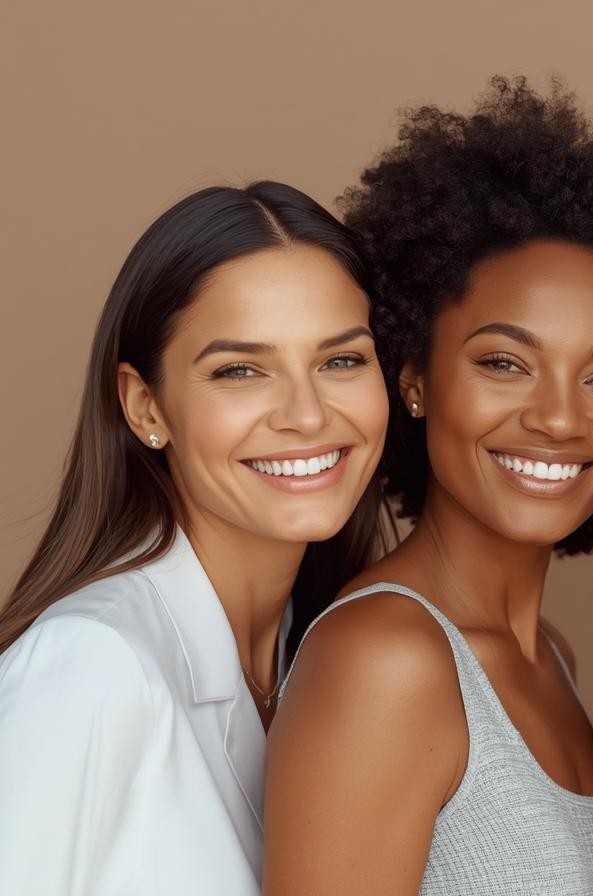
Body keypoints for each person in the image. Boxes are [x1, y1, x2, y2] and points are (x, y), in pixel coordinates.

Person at [262, 77, 593, 896]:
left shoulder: (555, 659)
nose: (557, 418)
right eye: (505, 363)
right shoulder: (384, 662)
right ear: (414, 379)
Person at [0, 181, 390, 895]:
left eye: (341, 360)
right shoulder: (93, 666)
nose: (306, 415)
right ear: (146, 406)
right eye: (240, 371)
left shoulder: (325, 654)